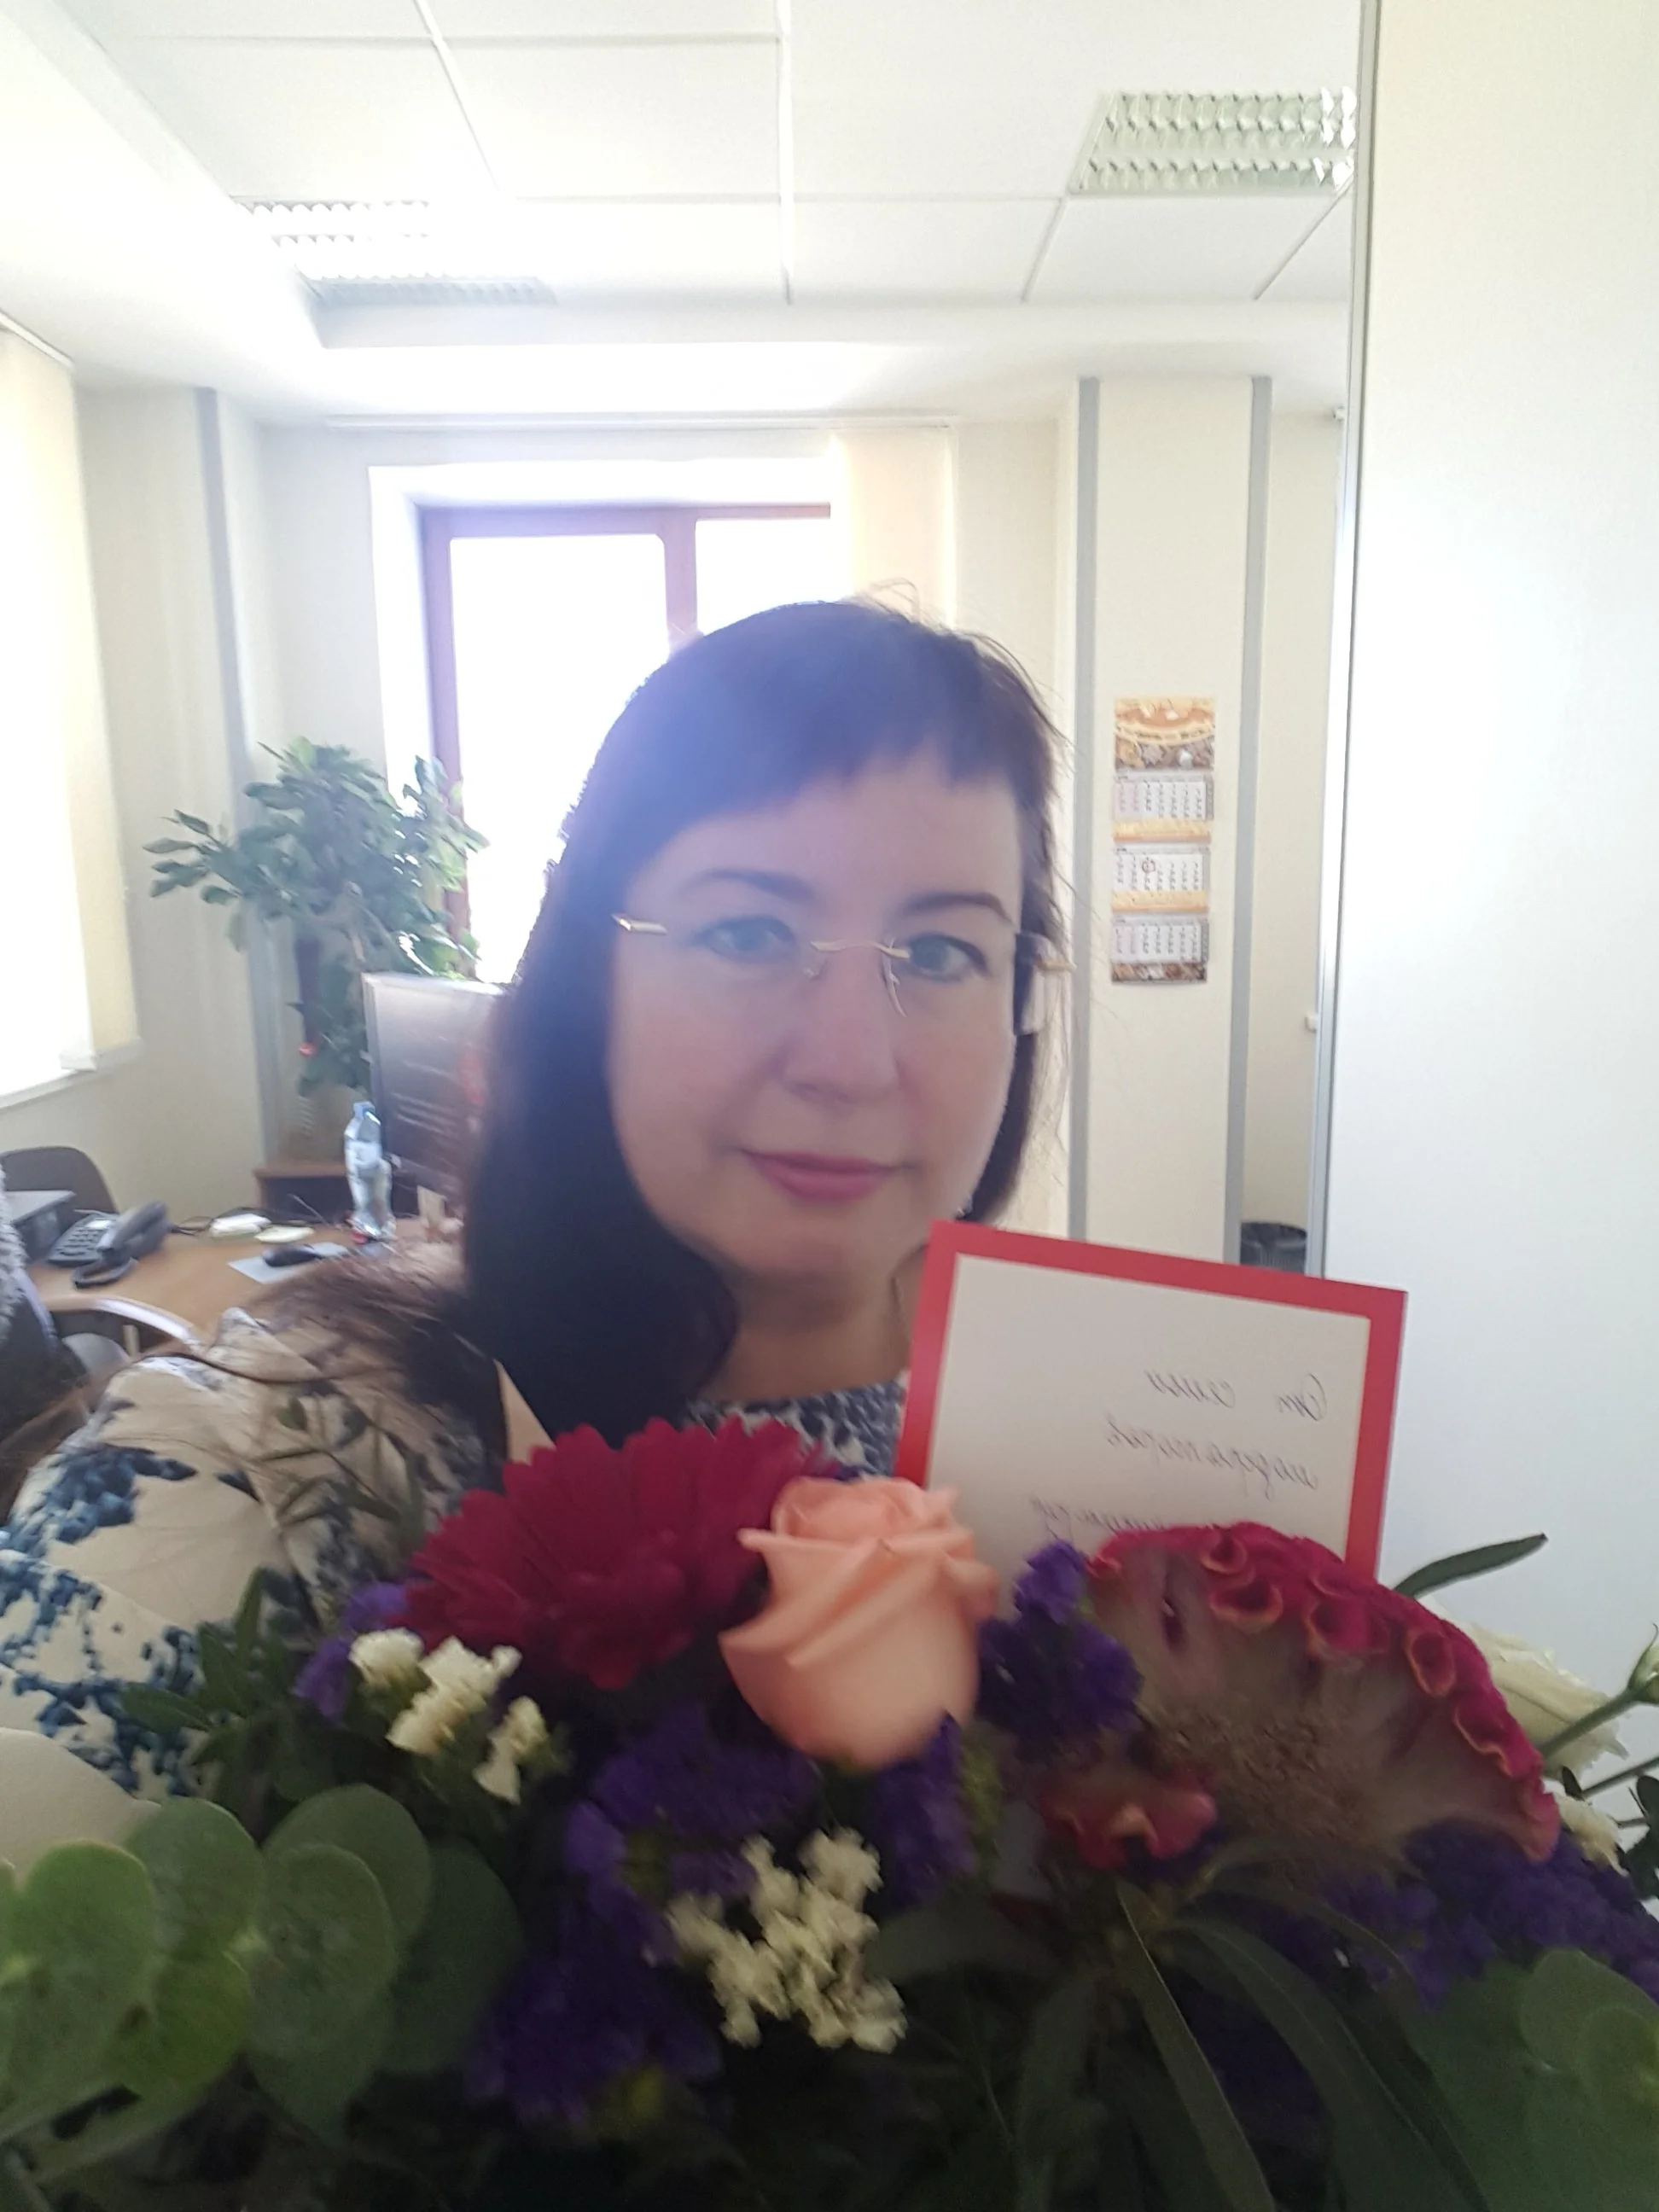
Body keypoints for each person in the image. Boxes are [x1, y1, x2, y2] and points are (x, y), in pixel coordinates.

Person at [0, 598, 1063, 1845]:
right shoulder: (301, 1453)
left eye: (939, 953)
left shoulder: (1109, 1424)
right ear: (588, 982)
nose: (850, 1061)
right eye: (747, 932)